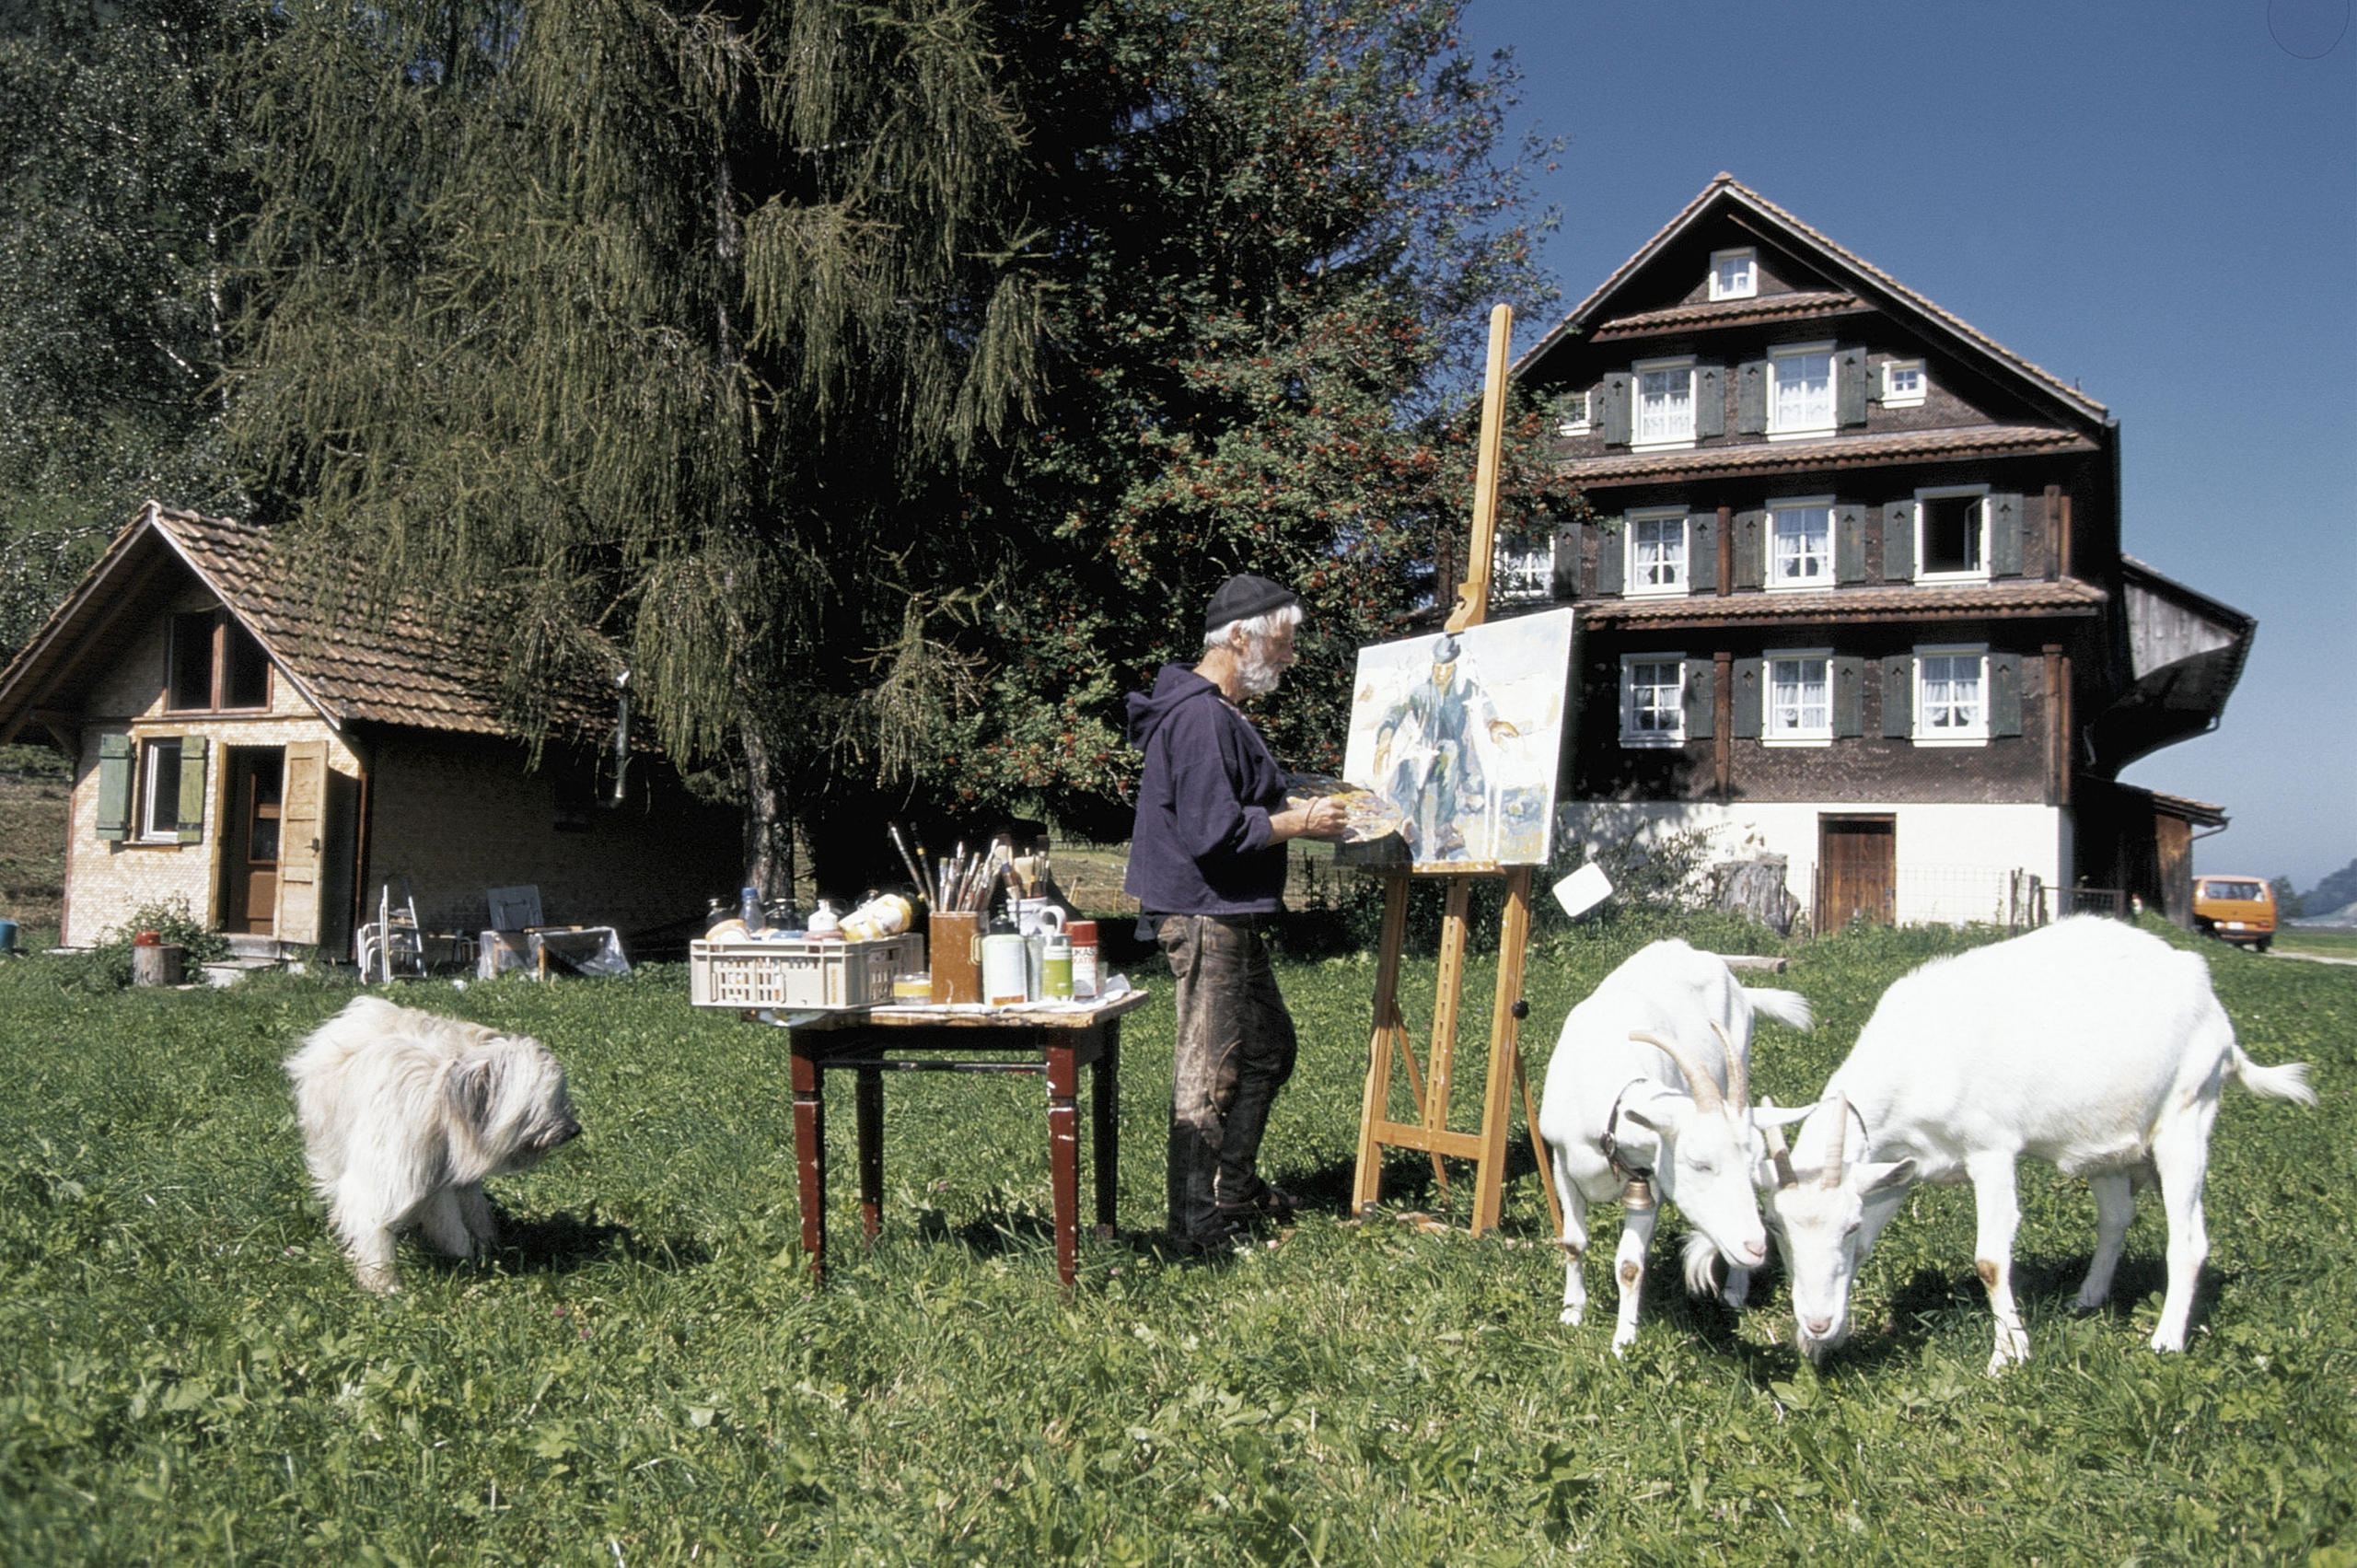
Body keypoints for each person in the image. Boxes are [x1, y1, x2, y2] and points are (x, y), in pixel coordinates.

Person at [1125, 575, 1347, 1254]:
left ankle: (1232, 1190)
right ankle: (1197, 1230)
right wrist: (1299, 822)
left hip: (1225, 910)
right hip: (1202, 912)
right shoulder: (1198, 716)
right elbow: (1214, 830)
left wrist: (1303, 797)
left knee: (1268, 1048)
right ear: (1242, 635)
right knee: (1210, 1069)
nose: (1287, 655)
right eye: (1282, 642)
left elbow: (1239, 798)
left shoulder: (1216, 712)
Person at [1371, 633, 1519, 861]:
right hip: (1422, 752)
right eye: (1437, 666)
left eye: (1447, 666)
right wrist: (1385, 737)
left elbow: (1485, 708)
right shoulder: (1421, 691)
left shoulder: (1466, 688)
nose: (1441, 671)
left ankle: (1444, 828)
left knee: (1450, 750)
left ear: (1454, 666)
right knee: (1408, 769)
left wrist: (1494, 725)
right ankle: (1408, 824)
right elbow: (1397, 709)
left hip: (1455, 757)